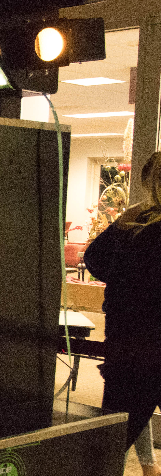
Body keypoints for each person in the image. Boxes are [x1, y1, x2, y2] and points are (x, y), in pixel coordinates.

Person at [85, 151, 161, 476]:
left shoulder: (138, 223)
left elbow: (95, 258)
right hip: (143, 352)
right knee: (113, 438)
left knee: (111, 440)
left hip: (128, 349)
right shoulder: (145, 227)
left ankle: (147, 466)